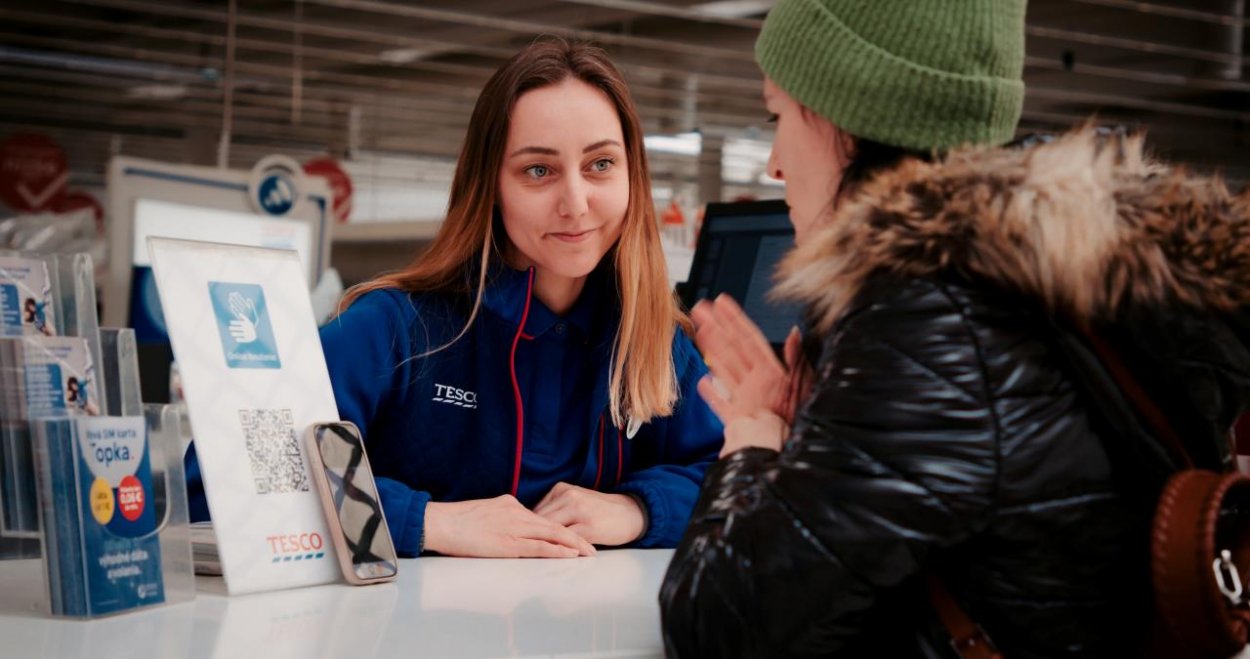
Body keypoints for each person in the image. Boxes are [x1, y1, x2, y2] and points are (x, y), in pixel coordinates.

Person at [660, 1, 1250, 657]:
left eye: (778, 116)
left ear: (848, 122)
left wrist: (751, 442)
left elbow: (720, 626)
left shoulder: (924, 322)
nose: (773, 163)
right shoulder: (1057, 292)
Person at [185, 38, 722, 559]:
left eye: (600, 164)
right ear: (489, 185)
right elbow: (222, 478)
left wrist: (637, 509)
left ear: (634, 177)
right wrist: (426, 521)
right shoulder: (395, 329)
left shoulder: (652, 341)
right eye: (539, 170)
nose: (576, 204)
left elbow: (734, 477)